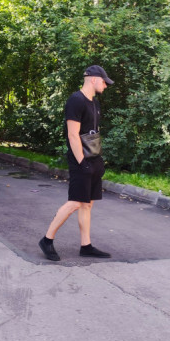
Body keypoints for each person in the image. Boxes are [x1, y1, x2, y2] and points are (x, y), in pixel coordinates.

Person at [39, 65, 114, 261]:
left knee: (87, 205)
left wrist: (97, 161)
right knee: (74, 203)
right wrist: (82, 162)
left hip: (93, 159)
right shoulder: (76, 101)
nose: (106, 85)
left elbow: (93, 133)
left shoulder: (95, 103)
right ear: (93, 79)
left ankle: (86, 245)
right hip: (80, 161)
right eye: (104, 81)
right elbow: (73, 135)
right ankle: (47, 240)